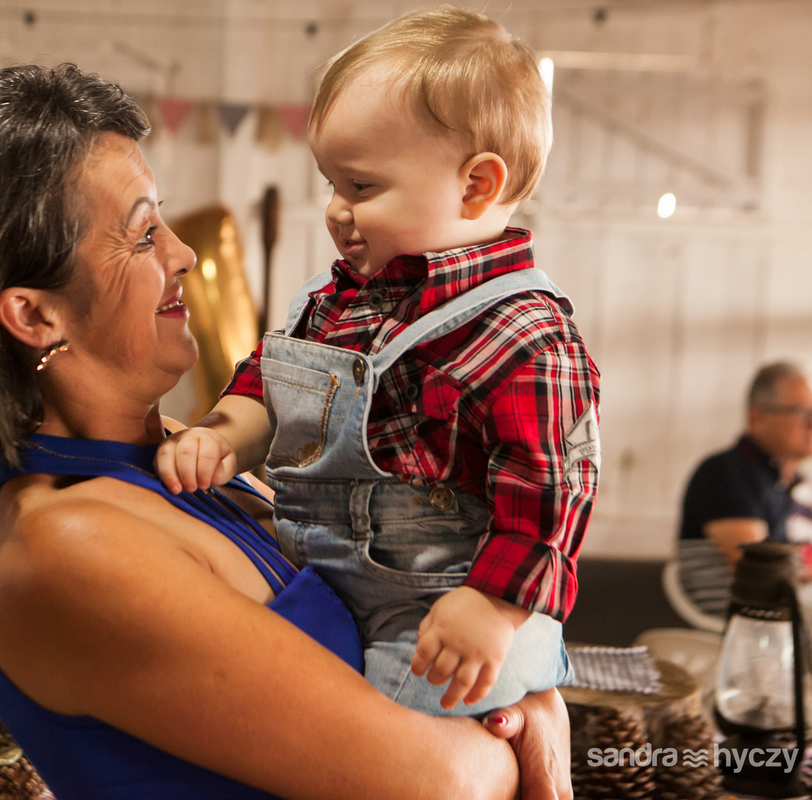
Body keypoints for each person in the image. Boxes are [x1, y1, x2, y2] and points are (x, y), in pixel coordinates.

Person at [0, 63, 573, 799]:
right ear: (34, 314)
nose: (182, 254)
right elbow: (446, 786)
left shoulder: (177, 448)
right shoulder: (66, 546)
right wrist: (533, 712)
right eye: (141, 235)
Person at [156, 6, 599, 716]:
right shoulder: (339, 298)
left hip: (442, 613)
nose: (336, 210)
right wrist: (222, 434)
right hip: (328, 574)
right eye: (331, 184)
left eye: (360, 187)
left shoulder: (525, 335)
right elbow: (269, 383)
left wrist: (491, 605)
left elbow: (551, 491)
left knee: (379, 732)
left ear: (476, 186)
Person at [678, 362, 812, 618]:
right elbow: (762, 578)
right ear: (757, 418)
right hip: (742, 626)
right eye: (800, 411)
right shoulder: (725, 473)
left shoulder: (797, 485)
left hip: (796, 621)